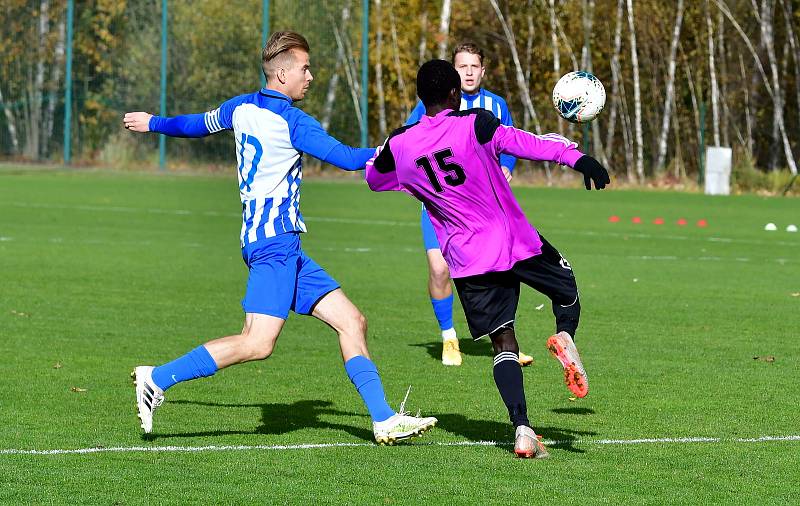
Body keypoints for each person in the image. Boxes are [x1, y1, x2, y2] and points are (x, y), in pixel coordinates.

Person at [122, 31, 436, 445]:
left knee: (351, 321)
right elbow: (346, 159)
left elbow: (195, 125)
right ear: (283, 72)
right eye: (305, 69)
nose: (310, 76)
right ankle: (156, 378)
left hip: (273, 243)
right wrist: (396, 147)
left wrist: (153, 123)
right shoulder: (292, 121)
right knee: (257, 342)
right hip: (275, 246)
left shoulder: (241, 107)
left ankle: (383, 419)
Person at [365, 59, 610, 458]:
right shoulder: (474, 123)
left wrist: (412, 179)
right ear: (454, 94)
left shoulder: (401, 144)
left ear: (419, 96)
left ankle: (523, 430)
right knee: (566, 290)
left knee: (504, 342)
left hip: (467, 257)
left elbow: (376, 180)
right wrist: (578, 159)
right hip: (513, 240)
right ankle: (565, 333)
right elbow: (527, 143)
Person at [406, 43, 533, 367]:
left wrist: (508, 166)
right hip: (440, 209)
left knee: (499, 269)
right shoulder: (432, 104)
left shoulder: (495, 104)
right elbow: (409, 139)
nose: (469, 72)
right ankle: (449, 337)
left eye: (474, 66)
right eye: (462, 67)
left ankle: (507, 343)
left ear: (483, 70)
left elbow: (511, 141)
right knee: (439, 268)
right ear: (453, 71)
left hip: (483, 209)